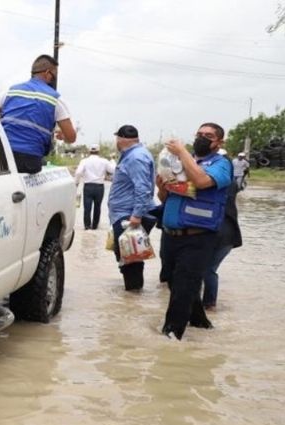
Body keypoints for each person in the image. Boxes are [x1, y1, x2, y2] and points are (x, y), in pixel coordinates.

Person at [156, 122, 233, 340]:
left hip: (198, 238)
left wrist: (181, 151)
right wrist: (162, 187)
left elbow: (200, 180)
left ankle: (171, 334)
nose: (202, 138)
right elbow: (165, 198)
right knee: (173, 281)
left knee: (183, 287)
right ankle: (200, 322)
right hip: (171, 234)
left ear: (219, 142)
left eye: (208, 135)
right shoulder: (181, 162)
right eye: (199, 134)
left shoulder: (221, 164)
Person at [0, 54, 77, 174]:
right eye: (54, 76)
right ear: (48, 73)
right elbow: (71, 137)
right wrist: (62, 136)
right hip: (29, 161)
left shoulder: (11, 91)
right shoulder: (55, 99)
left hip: (0, 155)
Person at [107, 125, 156, 291]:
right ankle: (132, 291)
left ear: (120, 139)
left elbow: (142, 187)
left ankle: (134, 291)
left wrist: (136, 216)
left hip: (130, 215)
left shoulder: (136, 157)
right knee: (126, 253)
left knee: (130, 255)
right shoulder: (132, 155)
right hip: (124, 213)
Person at [202, 178, 242, 309]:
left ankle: (209, 305)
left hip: (222, 236)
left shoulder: (213, 191)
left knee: (208, 270)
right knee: (208, 270)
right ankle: (209, 305)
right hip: (228, 236)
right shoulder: (230, 184)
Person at [74, 145, 115, 230]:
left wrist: (77, 183)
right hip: (99, 187)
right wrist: (113, 160)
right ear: (98, 151)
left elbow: (78, 173)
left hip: (88, 187)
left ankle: (87, 227)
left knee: (87, 208)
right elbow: (113, 170)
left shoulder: (84, 161)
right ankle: (95, 227)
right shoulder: (104, 161)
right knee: (97, 207)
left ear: (89, 151)